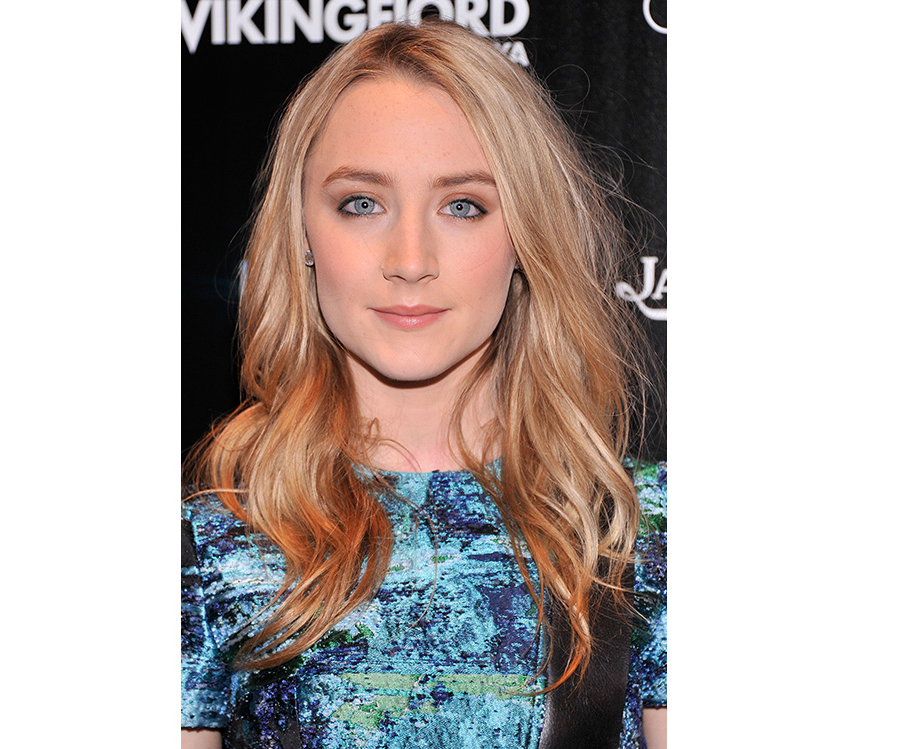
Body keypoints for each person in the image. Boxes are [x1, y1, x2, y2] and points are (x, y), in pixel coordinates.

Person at [182, 18, 666, 749]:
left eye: (462, 205)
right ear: (302, 234)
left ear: (525, 237)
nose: (410, 260)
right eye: (362, 203)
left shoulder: (644, 531)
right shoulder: (213, 545)